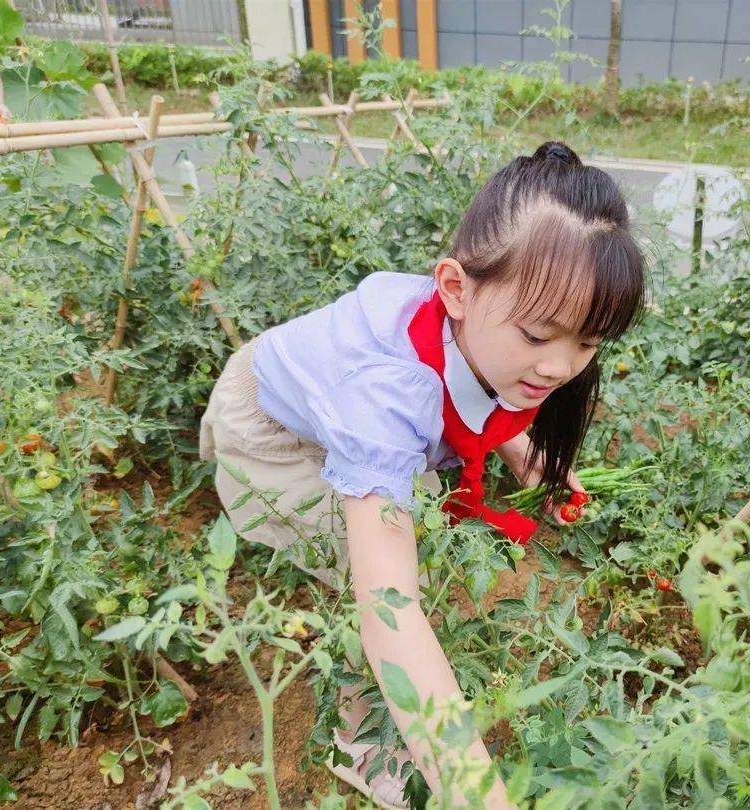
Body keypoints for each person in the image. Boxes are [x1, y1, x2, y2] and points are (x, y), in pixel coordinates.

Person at [198, 141, 647, 808]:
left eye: (585, 343)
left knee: (416, 536)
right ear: (456, 288)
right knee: (373, 582)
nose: (558, 369)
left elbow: (474, 387)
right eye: (536, 337)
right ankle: (360, 744)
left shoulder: (479, 329)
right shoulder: (386, 400)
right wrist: (472, 792)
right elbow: (391, 612)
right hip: (273, 439)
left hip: (334, 400)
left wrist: (519, 447)